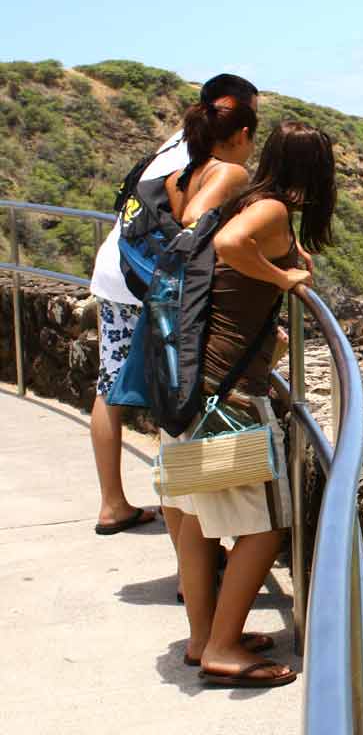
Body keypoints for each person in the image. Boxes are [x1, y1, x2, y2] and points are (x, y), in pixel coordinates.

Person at [173, 121, 335, 687]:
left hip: (195, 385)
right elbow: (229, 247)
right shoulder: (269, 212)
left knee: (196, 521)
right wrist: (286, 279)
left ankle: (203, 640)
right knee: (264, 526)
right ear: (316, 170)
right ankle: (222, 650)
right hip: (227, 395)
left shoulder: (248, 198)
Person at [89, 74, 258, 535]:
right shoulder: (212, 160)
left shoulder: (176, 142)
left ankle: (113, 504)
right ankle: (196, 538)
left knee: (110, 386)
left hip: (119, 267)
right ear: (230, 111)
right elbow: (192, 218)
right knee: (179, 391)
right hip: (150, 282)